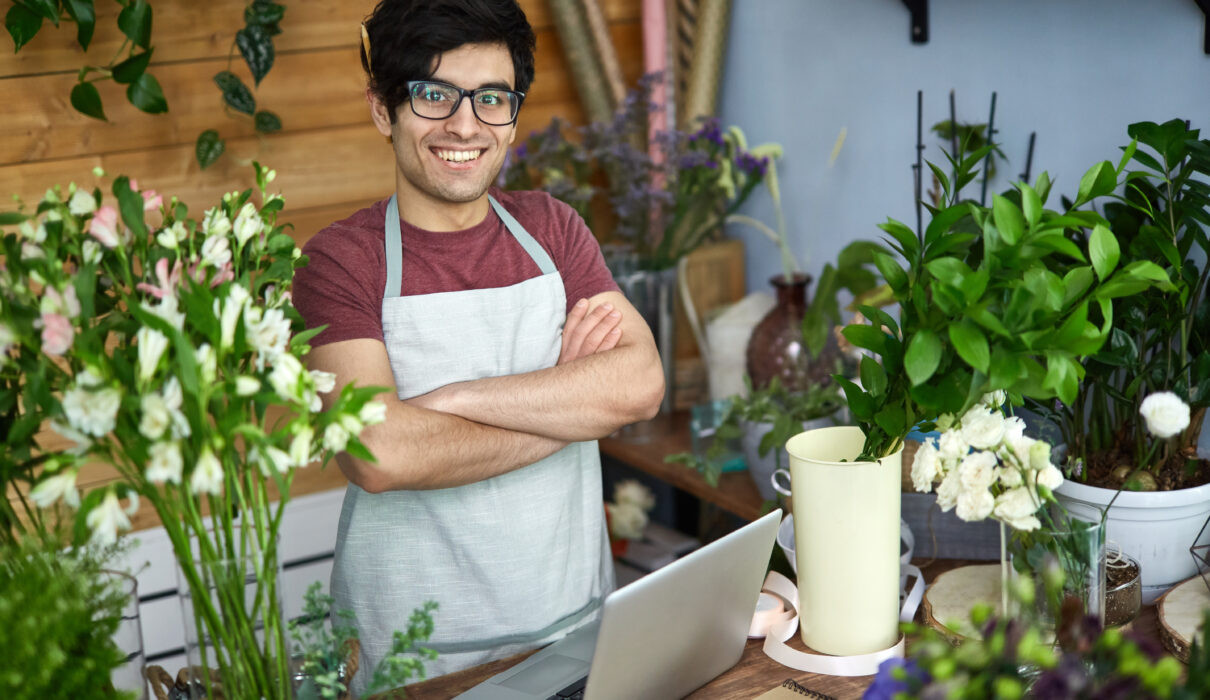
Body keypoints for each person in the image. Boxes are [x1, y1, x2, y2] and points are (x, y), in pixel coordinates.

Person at [291, 0, 665, 692]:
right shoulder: (341, 262)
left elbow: (638, 384)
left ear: (513, 115)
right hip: (413, 657)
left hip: (572, 631)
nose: (465, 125)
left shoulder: (553, 230)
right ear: (384, 110)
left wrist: (449, 402)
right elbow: (378, 455)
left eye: (491, 99)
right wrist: (572, 399)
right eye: (435, 95)